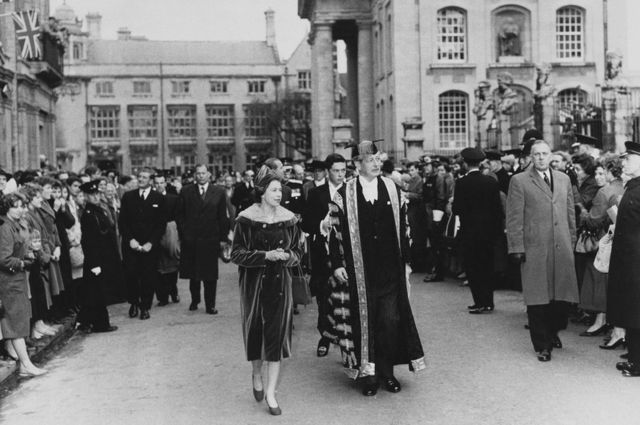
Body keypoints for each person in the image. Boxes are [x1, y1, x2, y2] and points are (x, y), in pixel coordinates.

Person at [325, 140, 426, 396]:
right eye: (371, 160)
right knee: (364, 321)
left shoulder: (392, 188)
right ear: (358, 164)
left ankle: (387, 372)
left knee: (390, 321)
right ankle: (368, 376)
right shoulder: (343, 194)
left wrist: (407, 260)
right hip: (360, 270)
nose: (377, 163)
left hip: (390, 269)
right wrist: (337, 265)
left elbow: (404, 228)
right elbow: (334, 232)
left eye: (378, 159)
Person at [230, 166, 303, 416]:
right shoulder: (246, 219)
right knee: (256, 334)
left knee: (276, 336)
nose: (279, 194)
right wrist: (265, 256)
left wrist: (288, 257)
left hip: (280, 285)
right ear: (261, 192)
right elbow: (236, 254)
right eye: (274, 190)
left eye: (280, 190)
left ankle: (271, 393)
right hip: (254, 286)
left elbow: (299, 252)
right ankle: (256, 373)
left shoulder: (289, 218)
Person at [506, 139, 578, 362]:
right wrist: (516, 247)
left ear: (551, 156)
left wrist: (572, 242)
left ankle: (554, 331)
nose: (540, 158)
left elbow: (570, 214)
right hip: (535, 248)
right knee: (538, 299)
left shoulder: (564, 179)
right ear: (530, 157)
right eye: (536, 154)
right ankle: (542, 345)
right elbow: (514, 217)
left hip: (562, 247)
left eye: (544, 154)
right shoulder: (519, 181)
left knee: (560, 299)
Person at [301, 153, 346, 357]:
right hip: (322, 253)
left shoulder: (350, 192)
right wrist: (321, 224)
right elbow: (307, 223)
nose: (340, 174)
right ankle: (325, 337)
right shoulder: (316, 193)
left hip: (346, 254)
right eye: (336, 171)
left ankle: (346, 343)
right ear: (328, 172)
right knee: (324, 296)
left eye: (343, 170)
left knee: (346, 297)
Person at [0, 193, 48, 377]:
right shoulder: (5, 228)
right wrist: (22, 263)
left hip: (16, 280)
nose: (21, 209)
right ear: (7, 208)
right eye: (16, 206)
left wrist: (27, 255)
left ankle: (24, 364)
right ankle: (26, 364)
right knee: (16, 324)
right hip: (9, 282)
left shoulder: (13, 225)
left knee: (18, 322)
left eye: (21, 205)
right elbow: (3, 259)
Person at [453, 148, 504, 314]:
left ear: (466, 164)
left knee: (473, 267)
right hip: (488, 232)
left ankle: (479, 301)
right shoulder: (491, 182)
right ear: (481, 163)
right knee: (487, 266)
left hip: (470, 232)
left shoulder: (461, 183)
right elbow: (498, 210)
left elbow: (456, 209)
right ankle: (489, 301)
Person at [177, 164, 230, 314]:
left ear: (209, 175)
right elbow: (180, 215)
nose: (200, 176)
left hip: (210, 239)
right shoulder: (186, 191)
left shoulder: (218, 192)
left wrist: (223, 238)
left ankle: (210, 304)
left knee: (210, 274)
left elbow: (222, 217)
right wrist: (184, 234)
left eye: (203, 173)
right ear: (195, 175)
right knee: (193, 274)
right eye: (198, 173)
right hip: (191, 239)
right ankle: (195, 300)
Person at [608, 142, 640, 377]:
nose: (624, 162)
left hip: (636, 263)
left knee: (636, 312)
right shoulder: (634, 187)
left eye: (628, 158)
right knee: (632, 310)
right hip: (629, 262)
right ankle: (634, 358)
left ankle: (637, 363)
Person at [119, 168, 166, 320]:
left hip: (149, 246)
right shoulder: (128, 197)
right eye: (139, 177)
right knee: (131, 275)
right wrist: (130, 239)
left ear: (151, 180)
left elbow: (161, 224)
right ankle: (134, 303)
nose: (141, 179)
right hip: (131, 245)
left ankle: (145, 306)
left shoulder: (158, 198)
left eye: (145, 177)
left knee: (148, 276)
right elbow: (123, 222)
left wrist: (151, 243)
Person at [77, 180, 118, 333]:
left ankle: (93, 322)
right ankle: (99, 323)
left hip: (103, 257)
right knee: (96, 293)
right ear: (86, 196)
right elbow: (89, 241)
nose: (95, 197)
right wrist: (94, 263)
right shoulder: (88, 214)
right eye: (91, 194)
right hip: (96, 259)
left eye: (96, 194)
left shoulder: (97, 210)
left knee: (97, 292)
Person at [154, 173, 180, 305]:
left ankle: (173, 291)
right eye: (156, 183)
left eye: (161, 182)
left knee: (172, 265)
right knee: (158, 267)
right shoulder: (150, 199)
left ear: (165, 183)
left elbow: (178, 217)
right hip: (155, 236)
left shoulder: (173, 198)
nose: (159, 185)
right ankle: (162, 296)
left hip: (170, 234)